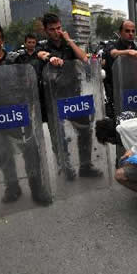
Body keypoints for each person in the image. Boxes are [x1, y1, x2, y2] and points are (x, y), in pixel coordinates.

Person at [0, 23, 52, 205]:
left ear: (2, 40)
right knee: (4, 153)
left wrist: (28, 105)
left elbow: (27, 82)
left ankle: (37, 189)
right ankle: (12, 188)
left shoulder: (16, 59)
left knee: (31, 152)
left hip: (19, 113)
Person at [37, 13, 101, 178]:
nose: (56, 32)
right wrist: (50, 58)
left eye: (58, 28)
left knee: (85, 131)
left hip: (74, 95)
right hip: (54, 98)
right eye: (52, 29)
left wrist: (69, 40)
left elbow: (84, 58)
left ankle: (85, 166)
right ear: (45, 30)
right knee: (59, 135)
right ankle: (65, 167)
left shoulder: (68, 45)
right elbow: (41, 54)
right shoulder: (42, 46)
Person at [102, 20, 137, 118]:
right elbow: (114, 53)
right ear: (120, 32)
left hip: (133, 92)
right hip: (115, 92)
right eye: (127, 31)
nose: (131, 34)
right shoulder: (111, 44)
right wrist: (128, 52)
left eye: (133, 31)